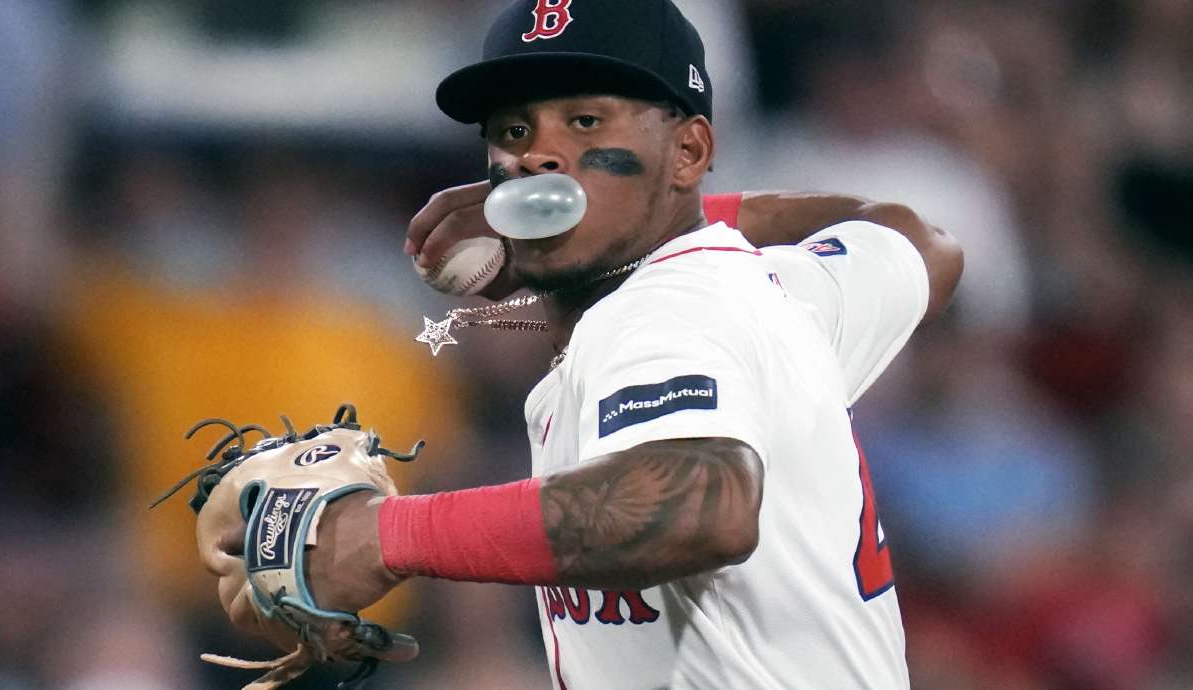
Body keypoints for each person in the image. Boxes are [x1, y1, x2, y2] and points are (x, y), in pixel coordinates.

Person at [303, 1, 963, 688]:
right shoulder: (774, 288)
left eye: (585, 120)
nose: (538, 156)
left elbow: (704, 504)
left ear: (691, 150)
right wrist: (681, 204)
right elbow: (918, 242)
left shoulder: (659, 309)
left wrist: (394, 533)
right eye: (514, 129)